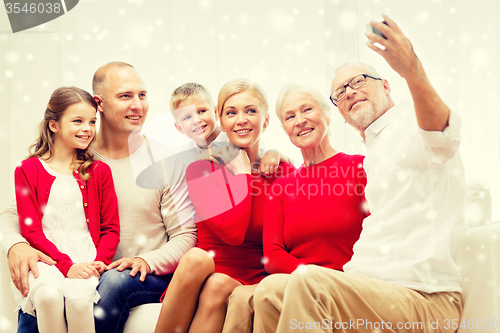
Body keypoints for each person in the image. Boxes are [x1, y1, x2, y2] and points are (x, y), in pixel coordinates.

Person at [253, 15, 465, 333]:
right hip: (370, 289)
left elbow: (443, 136)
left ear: (386, 85)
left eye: (359, 81)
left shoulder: (409, 125)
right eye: (340, 92)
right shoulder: (373, 154)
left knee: (308, 286)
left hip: (424, 295)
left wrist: (412, 71)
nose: (349, 92)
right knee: (268, 293)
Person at [1, 62, 197, 333]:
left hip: (139, 275)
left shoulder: (164, 161)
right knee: (43, 290)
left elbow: (186, 235)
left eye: (142, 95)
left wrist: (146, 261)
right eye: (126, 96)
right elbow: (16, 211)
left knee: (111, 284)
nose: (138, 105)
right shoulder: (74, 148)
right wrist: (15, 246)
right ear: (99, 103)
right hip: (75, 264)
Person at [221, 84, 369, 333]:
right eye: (290, 116)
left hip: (347, 283)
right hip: (298, 283)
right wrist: (311, 277)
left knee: (264, 293)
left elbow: (378, 234)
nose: (299, 121)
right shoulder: (281, 186)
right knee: (240, 298)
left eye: (307, 109)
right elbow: (273, 256)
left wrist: (328, 279)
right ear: (284, 128)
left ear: (327, 115)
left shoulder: (359, 168)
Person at [153, 79, 295, 333]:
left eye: (250, 111)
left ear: (265, 120)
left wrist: (256, 165)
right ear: (222, 120)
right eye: (232, 113)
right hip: (207, 268)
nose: (241, 120)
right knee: (205, 268)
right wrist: (242, 174)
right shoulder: (202, 168)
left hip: (253, 273)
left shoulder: (281, 170)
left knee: (218, 285)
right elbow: (233, 232)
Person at [12, 86, 120, 333]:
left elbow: (112, 229)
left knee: (80, 303)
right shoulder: (27, 170)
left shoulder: (99, 172)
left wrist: (98, 263)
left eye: (92, 121)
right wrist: (64, 264)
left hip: (86, 257)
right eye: (78, 121)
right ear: (54, 125)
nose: (87, 128)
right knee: (48, 296)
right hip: (47, 257)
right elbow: (31, 231)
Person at [169, 82, 290, 174]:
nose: (196, 120)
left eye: (202, 111)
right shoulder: (182, 156)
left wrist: (275, 153)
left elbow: (263, 156)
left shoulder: (236, 137)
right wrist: (197, 163)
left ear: (216, 112)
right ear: (179, 127)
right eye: (187, 117)